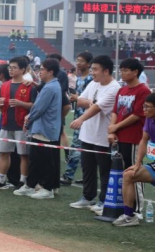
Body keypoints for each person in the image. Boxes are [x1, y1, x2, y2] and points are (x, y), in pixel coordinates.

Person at [69, 55, 121, 211]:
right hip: (87, 135)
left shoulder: (114, 88)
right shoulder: (93, 83)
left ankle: (104, 201)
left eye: (95, 69)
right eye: (92, 69)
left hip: (103, 136)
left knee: (105, 170)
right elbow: (80, 101)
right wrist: (89, 103)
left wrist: (81, 119)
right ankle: (87, 197)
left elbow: (98, 108)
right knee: (87, 168)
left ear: (106, 71)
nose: (92, 72)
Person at [106, 58, 149, 215]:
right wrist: (112, 130)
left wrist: (116, 127)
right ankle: (125, 206)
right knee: (122, 173)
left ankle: (137, 209)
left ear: (135, 72)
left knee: (134, 173)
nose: (122, 73)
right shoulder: (122, 90)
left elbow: (137, 115)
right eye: (121, 70)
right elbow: (115, 111)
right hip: (120, 137)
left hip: (133, 138)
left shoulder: (143, 91)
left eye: (125, 70)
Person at [15, 59, 63, 199]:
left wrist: (28, 119)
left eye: (42, 69)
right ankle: (30, 185)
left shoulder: (50, 87)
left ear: (50, 72)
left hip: (45, 129)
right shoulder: (51, 85)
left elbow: (39, 108)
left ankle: (47, 188)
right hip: (43, 128)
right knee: (35, 159)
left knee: (44, 160)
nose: (39, 72)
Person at [0, 56, 36, 190]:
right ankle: (1, 180)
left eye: (14, 68)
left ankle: (23, 181)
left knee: (24, 155)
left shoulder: (29, 86)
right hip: (6, 123)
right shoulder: (4, 85)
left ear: (22, 70)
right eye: (10, 67)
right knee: (3, 153)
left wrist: (21, 103)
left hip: (22, 126)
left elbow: (35, 106)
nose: (11, 70)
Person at [114, 93, 155, 226]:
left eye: (147, 107)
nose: (144, 110)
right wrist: (137, 164)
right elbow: (143, 140)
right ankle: (129, 216)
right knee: (128, 175)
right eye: (144, 106)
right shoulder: (149, 119)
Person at [60, 53, 93, 187]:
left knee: (76, 147)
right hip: (79, 115)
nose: (78, 63)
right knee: (86, 149)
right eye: (77, 60)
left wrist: (77, 98)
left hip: (87, 117)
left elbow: (92, 99)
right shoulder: (79, 78)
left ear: (88, 64)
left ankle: (68, 175)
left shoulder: (91, 79)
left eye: (81, 61)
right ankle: (88, 177)